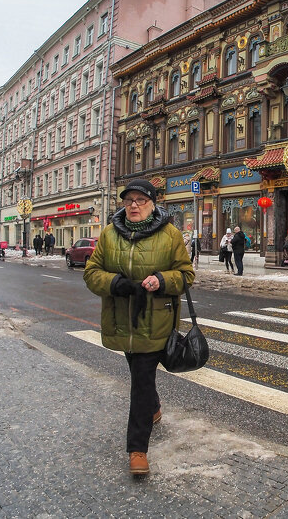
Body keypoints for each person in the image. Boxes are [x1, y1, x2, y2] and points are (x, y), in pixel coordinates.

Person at [82, 179, 193, 476]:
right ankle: (154, 407)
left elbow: (186, 275)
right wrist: (114, 283)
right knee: (139, 375)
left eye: (140, 200)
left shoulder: (170, 235)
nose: (133, 205)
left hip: (155, 321)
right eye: (129, 200)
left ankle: (137, 449)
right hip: (122, 321)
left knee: (140, 382)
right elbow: (92, 273)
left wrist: (162, 280)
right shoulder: (108, 234)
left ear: (153, 204)